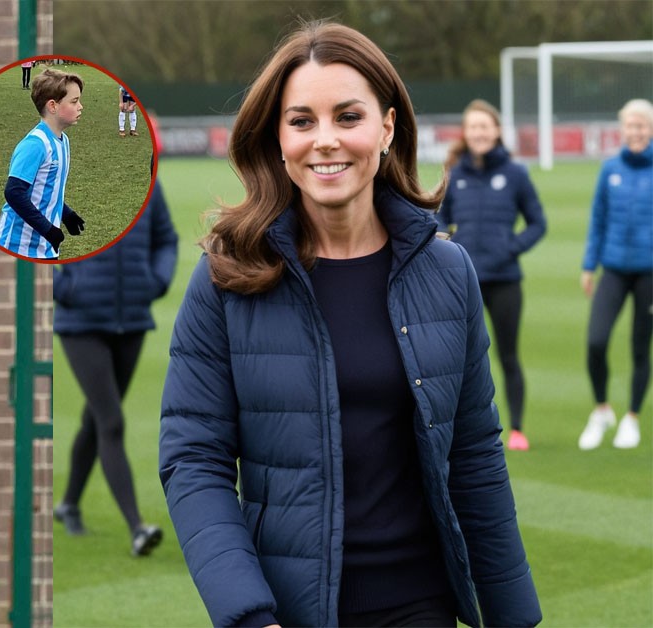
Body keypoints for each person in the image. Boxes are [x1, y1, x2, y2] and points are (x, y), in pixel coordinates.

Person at [159, 21, 540, 628]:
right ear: (278, 139)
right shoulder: (226, 277)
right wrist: (249, 615)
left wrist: (515, 616)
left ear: (387, 128)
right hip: (289, 612)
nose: (325, 141)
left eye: (348, 117)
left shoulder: (447, 271)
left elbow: (473, 454)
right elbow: (194, 460)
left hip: (422, 606)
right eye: (302, 121)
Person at [53, 179, 178, 555]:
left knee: (97, 418)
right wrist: (65, 289)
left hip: (132, 320)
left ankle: (68, 504)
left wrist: (154, 282)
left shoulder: (150, 186)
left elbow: (166, 239)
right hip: (82, 323)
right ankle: (137, 527)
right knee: (111, 421)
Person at [437, 99, 547, 451]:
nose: (479, 133)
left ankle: (516, 429)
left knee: (508, 355)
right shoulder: (455, 172)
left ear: (496, 131)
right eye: (473, 128)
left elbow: (537, 223)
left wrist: (509, 248)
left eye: (485, 127)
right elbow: (439, 218)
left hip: (504, 280)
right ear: (466, 134)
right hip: (462, 280)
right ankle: (452, 429)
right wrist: (447, 242)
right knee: (456, 358)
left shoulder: (516, 174)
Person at [577, 98, 653, 450]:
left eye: (642, 125)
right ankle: (602, 409)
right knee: (596, 341)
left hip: (649, 275)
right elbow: (598, 219)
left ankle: (632, 418)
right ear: (622, 129)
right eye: (631, 126)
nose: (636, 131)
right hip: (613, 270)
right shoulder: (610, 169)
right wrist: (589, 265)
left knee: (640, 348)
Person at [0, 68, 87, 260]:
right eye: (74, 101)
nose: (80, 107)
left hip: (45, 246)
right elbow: (14, 192)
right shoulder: (35, 145)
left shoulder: (63, 140)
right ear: (52, 106)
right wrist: (48, 229)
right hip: (17, 246)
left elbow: (44, 189)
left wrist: (66, 213)